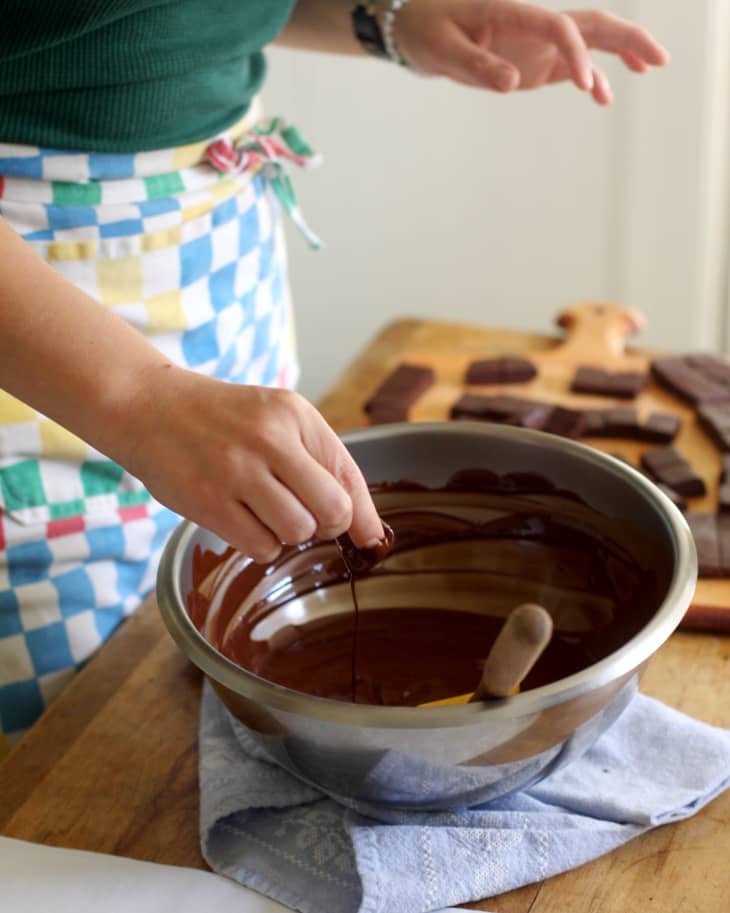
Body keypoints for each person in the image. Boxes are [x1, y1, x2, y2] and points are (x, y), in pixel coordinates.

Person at [0, 0, 669, 752]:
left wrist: (381, 17)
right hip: (29, 337)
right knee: (66, 769)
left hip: (214, 259)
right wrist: (138, 398)